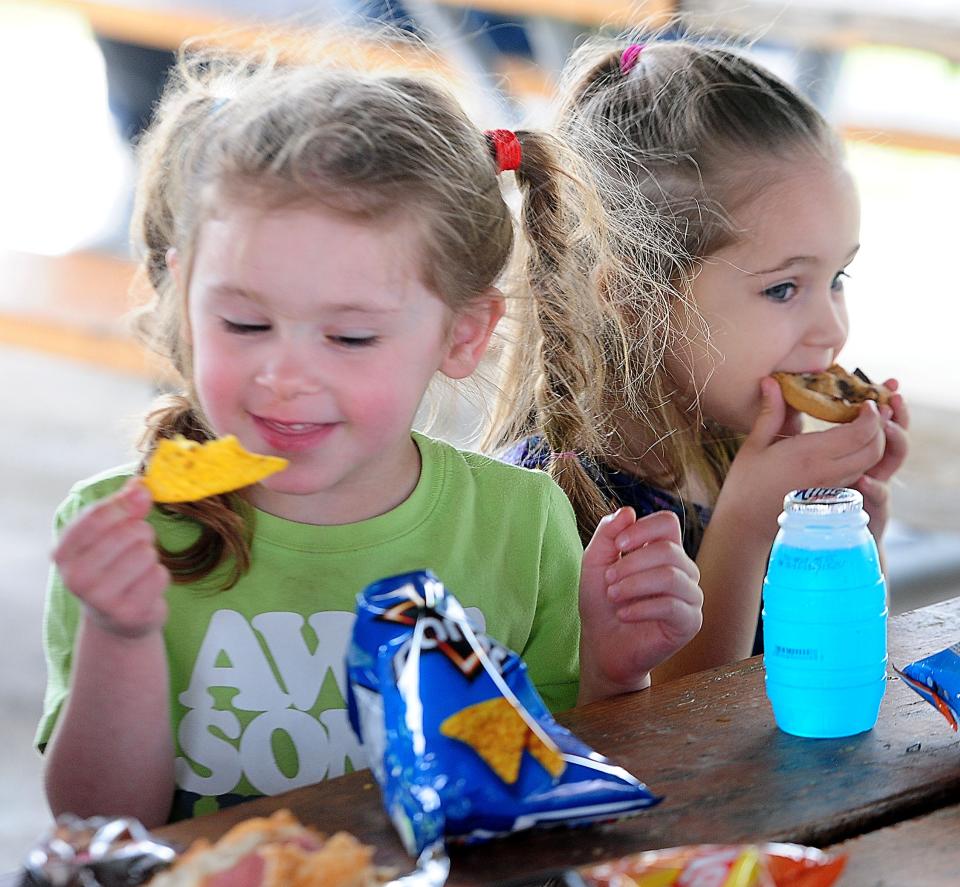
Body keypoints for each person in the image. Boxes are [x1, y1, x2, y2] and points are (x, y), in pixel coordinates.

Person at [37, 41, 703, 827]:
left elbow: (551, 790)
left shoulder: (520, 523)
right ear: (183, 292)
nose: (283, 376)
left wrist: (615, 674)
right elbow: (100, 826)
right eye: (244, 322)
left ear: (462, 333)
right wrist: (121, 633)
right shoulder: (124, 527)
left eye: (349, 338)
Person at [488, 36, 908, 681]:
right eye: (783, 288)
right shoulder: (541, 511)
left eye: (839, 278)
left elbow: (818, 676)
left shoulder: (729, 450)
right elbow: (677, 744)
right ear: (632, 296)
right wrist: (745, 524)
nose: (832, 329)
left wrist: (846, 535)